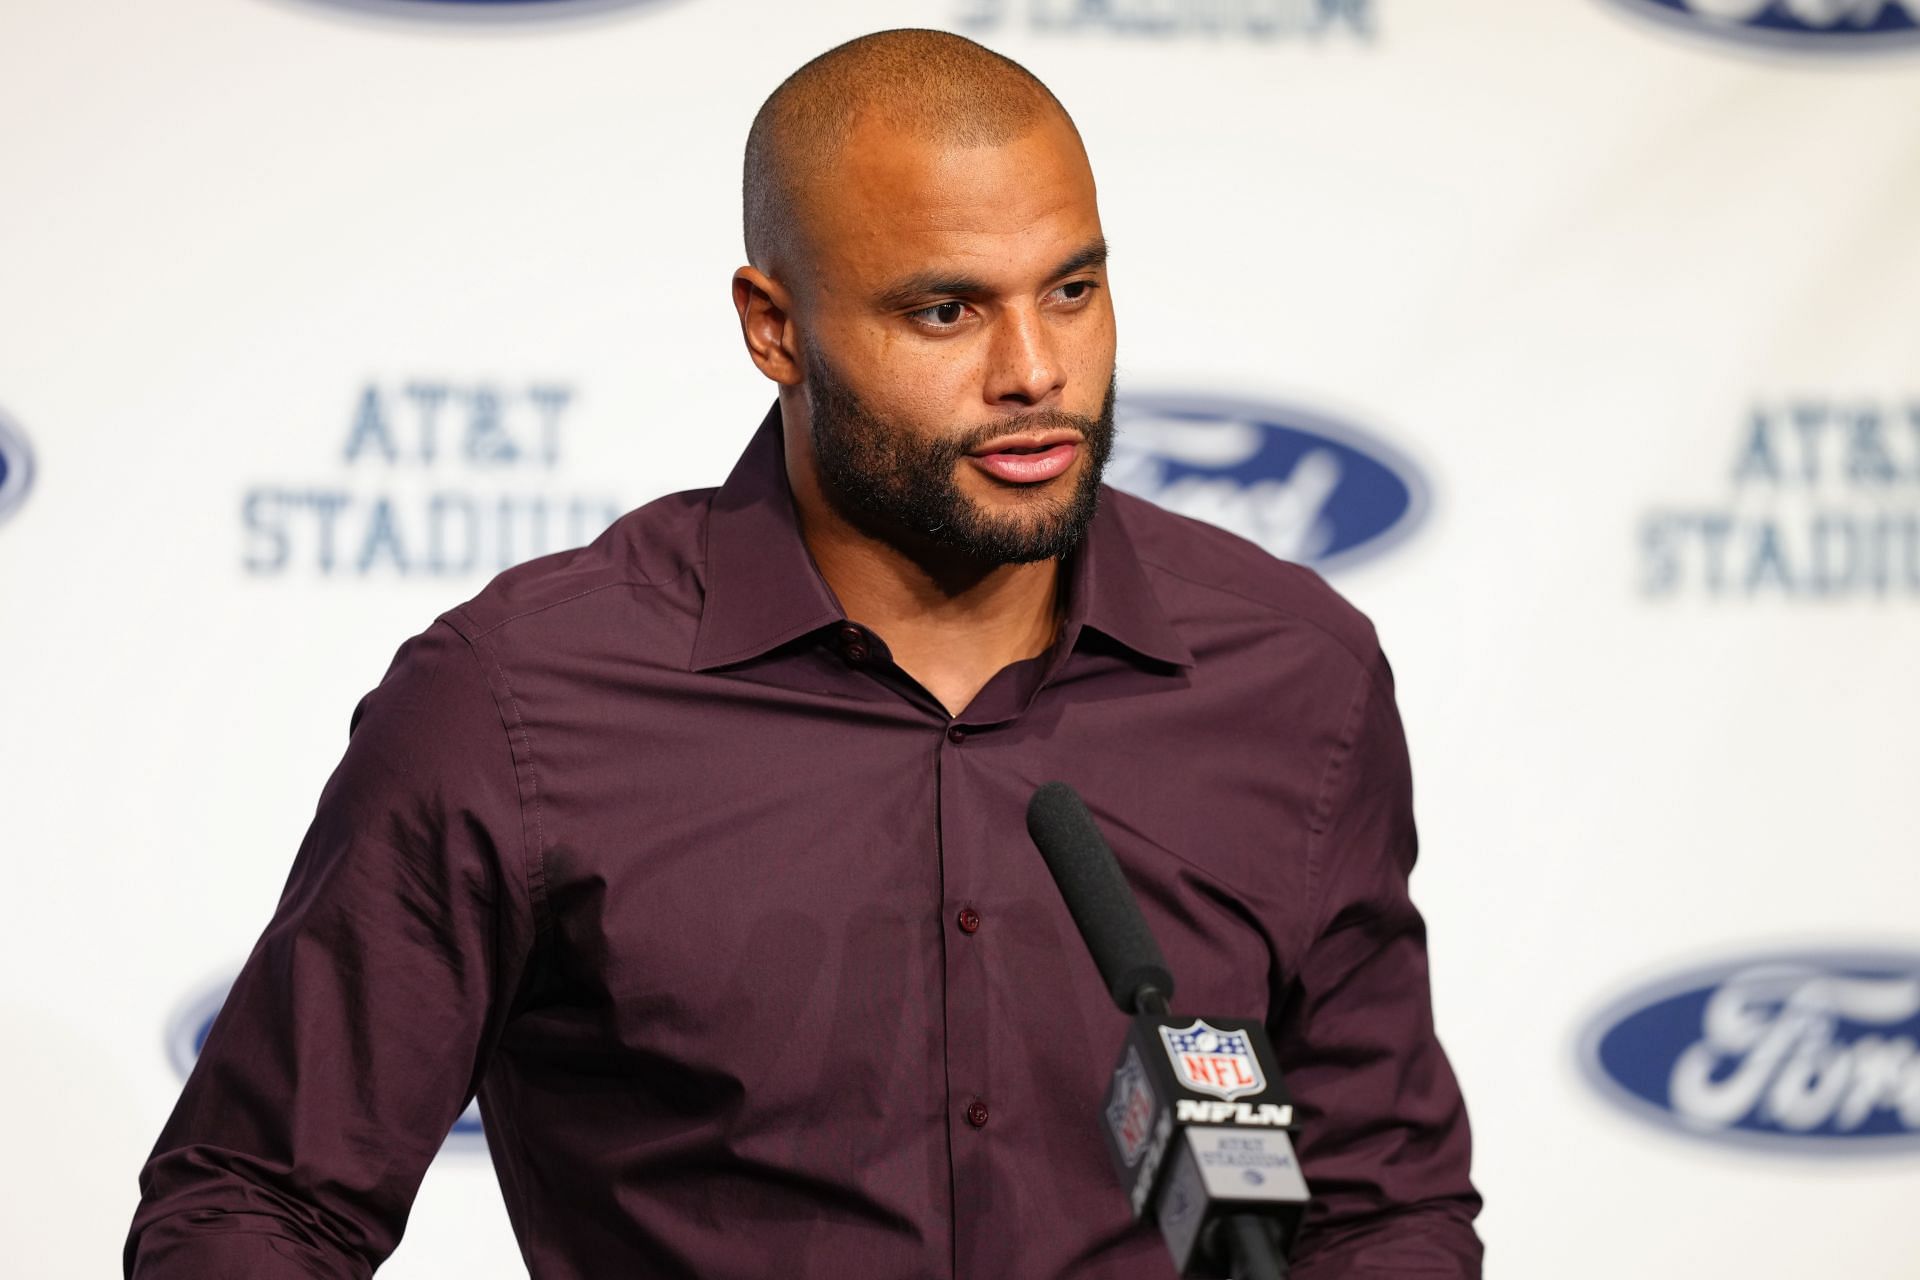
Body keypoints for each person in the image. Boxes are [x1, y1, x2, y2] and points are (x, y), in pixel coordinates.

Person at [126, 28, 1481, 1280]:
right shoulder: (517, 705)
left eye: (1072, 289)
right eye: (945, 312)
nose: (1035, 370)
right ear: (775, 327)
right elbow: (259, 1200)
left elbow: (1382, 1207)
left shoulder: (1294, 678)